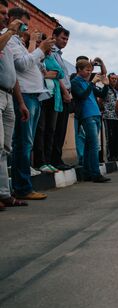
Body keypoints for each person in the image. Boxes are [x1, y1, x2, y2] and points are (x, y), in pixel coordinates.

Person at [8, 7, 55, 200]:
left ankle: (23, 185)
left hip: (34, 96)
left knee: (26, 142)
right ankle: (23, 187)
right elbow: (21, 65)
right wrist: (39, 49)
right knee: (23, 144)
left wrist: (41, 51)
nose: (27, 30)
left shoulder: (18, 42)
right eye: (25, 25)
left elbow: (33, 65)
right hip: (25, 95)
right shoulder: (10, 40)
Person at [0, 0, 29, 210]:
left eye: (5, 13)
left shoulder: (8, 39)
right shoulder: (6, 36)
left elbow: (13, 73)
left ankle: (4, 193)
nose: (4, 16)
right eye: (1, 13)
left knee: (5, 149)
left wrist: (21, 102)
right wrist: (9, 31)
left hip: (9, 95)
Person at [70, 59, 110, 183]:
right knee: (93, 145)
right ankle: (95, 173)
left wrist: (106, 85)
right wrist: (92, 83)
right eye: (87, 70)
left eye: (90, 70)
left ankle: (87, 173)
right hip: (87, 116)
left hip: (96, 114)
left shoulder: (88, 83)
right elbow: (82, 95)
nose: (89, 72)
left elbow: (102, 95)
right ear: (79, 70)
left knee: (89, 146)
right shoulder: (75, 82)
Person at [34, 42, 65, 174]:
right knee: (40, 130)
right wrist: (49, 74)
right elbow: (37, 72)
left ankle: (48, 161)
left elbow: (61, 73)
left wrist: (46, 74)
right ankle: (39, 162)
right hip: (41, 97)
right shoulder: (35, 56)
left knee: (50, 130)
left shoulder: (51, 58)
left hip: (53, 98)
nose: (50, 49)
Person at [49, 26, 72, 171]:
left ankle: (58, 159)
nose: (65, 41)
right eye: (63, 38)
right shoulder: (51, 52)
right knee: (55, 129)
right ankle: (54, 160)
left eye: (67, 39)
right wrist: (65, 92)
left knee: (61, 129)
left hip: (65, 94)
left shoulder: (59, 55)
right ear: (54, 36)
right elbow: (58, 76)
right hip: (59, 94)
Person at [102, 73, 118, 161]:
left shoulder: (117, 91)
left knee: (116, 137)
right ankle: (110, 156)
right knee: (109, 137)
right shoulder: (106, 89)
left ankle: (116, 155)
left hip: (116, 117)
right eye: (112, 78)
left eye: (115, 79)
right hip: (108, 116)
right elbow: (101, 100)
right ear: (109, 79)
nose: (114, 80)